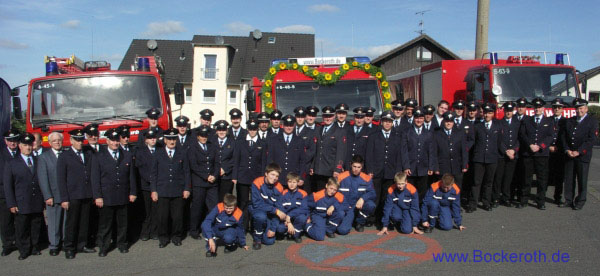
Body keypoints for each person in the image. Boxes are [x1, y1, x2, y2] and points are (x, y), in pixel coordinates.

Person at [91, 128, 137, 257]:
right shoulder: (99, 156)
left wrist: (132, 192)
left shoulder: (126, 155)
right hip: (107, 196)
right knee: (106, 224)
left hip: (122, 194)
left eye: (117, 140)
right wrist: (98, 196)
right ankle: (104, 246)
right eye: (112, 140)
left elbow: (131, 176)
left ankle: (122, 244)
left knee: (123, 223)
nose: (115, 143)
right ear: (107, 141)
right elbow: (95, 178)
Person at [3, 133, 44, 260]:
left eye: (30, 145)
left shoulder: (38, 160)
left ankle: (34, 247)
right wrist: (12, 203)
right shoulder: (12, 163)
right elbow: (8, 186)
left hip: (36, 199)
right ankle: (24, 249)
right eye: (25, 145)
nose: (28, 148)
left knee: (36, 224)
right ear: (20, 146)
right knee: (22, 226)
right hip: (22, 200)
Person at [57, 129, 96, 259]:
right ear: (71, 141)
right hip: (72, 194)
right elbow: (61, 179)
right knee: (71, 222)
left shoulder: (88, 153)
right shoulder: (64, 156)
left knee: (84, 221)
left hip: (86, 192)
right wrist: (64, 198)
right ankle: (69, 247)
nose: (80, 143)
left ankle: (82, 244)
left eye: (81, 140)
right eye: (77, 140)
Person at [150, 128, 190, 248]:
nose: (172, 141)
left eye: (174, 139)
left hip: (177, 190)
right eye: (169, 139)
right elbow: (154, 173)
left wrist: (187, 188)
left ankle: (176, 237)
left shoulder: (182, 153)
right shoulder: (158, 153)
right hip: (162, 190)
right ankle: (163, 238)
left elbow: (186, 172)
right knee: (162, 217)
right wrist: (153, 190)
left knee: (177, 216)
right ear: (165, 140)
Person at [366, 111, 405, 226]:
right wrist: (370, 170)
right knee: (375, 196)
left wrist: (398, 172)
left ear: (393, 123)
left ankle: (385, 218)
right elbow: (369, 155)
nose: (387, 124)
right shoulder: (374, 136)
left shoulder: (397, 136)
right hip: (376, 171)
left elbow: (399, 156)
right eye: (385, 121)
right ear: (381, 122)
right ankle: (372, 218)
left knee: (387, 196)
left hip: (391, 171)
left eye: (390, 122)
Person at [518, 97, 555, 210]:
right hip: (529, 154)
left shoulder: (549, 121)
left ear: (543, 108)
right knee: (526, 178)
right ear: (533, 108)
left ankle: (541, 201)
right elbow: (523, 134)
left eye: (539, 107)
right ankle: (524, 200)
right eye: (536, 107)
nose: (537, 109)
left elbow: (550, 136)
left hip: (541, 154)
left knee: (542, 179)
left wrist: (540, 146)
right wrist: (530, 145)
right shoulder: (527, 120)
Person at [562, 98, 598, 210]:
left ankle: (580, 201)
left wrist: (579, 151)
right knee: (569, 179)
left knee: (582, 179)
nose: (579, 111)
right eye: (577, 109)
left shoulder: (592, 121)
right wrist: (567, 150)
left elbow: (591, 139)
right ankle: (568, 200)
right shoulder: (570, 120)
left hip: (582, 155)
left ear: (586, 109)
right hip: (570, 154)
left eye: (581, 108)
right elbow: (564, 137)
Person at [467, 103, 504, 213]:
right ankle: (473, 204)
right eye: (486, 113)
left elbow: (499, 143)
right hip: (479, 158)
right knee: (476, 182)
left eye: (490, 113)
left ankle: (486, 202)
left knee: (489, 182)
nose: (487, 115)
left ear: (493, 114)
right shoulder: (477, 126)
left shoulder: (497, 126)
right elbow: (473, 141)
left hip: (492, 158)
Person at [232, 119, 266, 231]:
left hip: (256, 177)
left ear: (257, 129)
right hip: (242, 177)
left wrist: (262, 178)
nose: (252, 131)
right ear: (247, 129)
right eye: (250, 129)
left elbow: (263, 162)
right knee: (243, 202)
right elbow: (236, 160)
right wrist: (235, 176)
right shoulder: (240, 142)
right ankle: (243, 226)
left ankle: (254, 225)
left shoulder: (262, 143)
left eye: (254, 129)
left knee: (256, 202)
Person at [187, 126, 218, 239]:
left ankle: (210, 229)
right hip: (199, 182)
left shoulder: (212, 146)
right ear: (197, 136)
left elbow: (216, 163)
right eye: (201, 136)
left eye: (205, 136)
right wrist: (206, 176)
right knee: (197, 207)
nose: (204, 138)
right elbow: (194, 166)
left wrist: (214, 175)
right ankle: (194, 230)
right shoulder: (192, 148)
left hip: (212, 183)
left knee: (213, 207)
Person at [37, 131, 64, 257]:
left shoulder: (66, 154)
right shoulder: (44, 157)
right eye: (54, 141)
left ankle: (64, 242)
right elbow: (43, 178)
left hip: (66, 195)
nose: (57, 142)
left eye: (59, 140)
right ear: (49, 143)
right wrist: (47, 196)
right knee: (53, 222)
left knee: (65, 221)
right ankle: (54, 245)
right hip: (53, 195)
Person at [249, 163, 285, 249]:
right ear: (266, 173)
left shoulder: (279, 187)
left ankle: (265, 228)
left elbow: (279, 209)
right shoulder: (257, 182)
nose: (274, 178)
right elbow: (256, 204)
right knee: (260, 217)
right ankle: (257, 238)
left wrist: (272, 228)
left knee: (269, 241)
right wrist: (275, 211)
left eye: (277, 176)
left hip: (270, 213)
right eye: (272, 174)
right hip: (257, 209)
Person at [402, 108, 436, 200]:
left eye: (421, 118)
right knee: (410, 191)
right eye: (417, 118)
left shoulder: (428, 134)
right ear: (413, 118)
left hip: (423, 167)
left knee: (422, 192)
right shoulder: (407, 132)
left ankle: (420, 210)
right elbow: (404, 151)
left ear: (424, 118)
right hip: (411, 168)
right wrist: (406, 166)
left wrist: (430, 167)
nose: (419, 120)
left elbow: (431, 152)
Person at [337, 155, 376, 234]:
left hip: (358, 206)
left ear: (362, 167)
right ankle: (347, 220)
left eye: (358, 167)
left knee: (371, 205)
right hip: (346, 207)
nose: (356, 169)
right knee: (342, 231)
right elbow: (334, 193)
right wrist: (344, 205)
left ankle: (359, 222)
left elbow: (372, 193)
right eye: (354, 166)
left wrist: (362, 199)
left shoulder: (366, 178)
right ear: (350, 165)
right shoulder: (341, 177)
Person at [492, 102, 520, 207]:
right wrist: (505, 151)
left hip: (513, 155)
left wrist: (514, 150)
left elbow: (519, 139)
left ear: (513, 111)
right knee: (498, 178)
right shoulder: (499, 123)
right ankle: (495, 199)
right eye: (506, 110)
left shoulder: (517, 123)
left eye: (510, 110)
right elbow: (498, 140)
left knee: (509, 178)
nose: (508, 112)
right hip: (501, 154)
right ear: (504, 111)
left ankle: (506, 198)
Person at [312, 106, 346, 191]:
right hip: (319, 169)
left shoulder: (339, 131)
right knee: (319, 193)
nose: (328, 118)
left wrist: (337, 169)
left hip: (331, 170)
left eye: (330, 116)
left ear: (334, 116)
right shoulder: (318, 129)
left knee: (331, 193)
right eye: (326, 116)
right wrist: (312, 166)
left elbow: (341, 152)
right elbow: (315, 150)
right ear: (323, 116)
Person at [266, 115, 307, 186]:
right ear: (283, 125)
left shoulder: (299, 141)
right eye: (287, 125)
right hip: (278, 178)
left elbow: (303, 161)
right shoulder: (274, 140)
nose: (289, 127)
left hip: (293, 179)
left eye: (291, 125)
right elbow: (270, 159)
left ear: (294, 126)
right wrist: (270, 175)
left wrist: (301, 177)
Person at [134, 129, 159, 241]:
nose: (153, 140)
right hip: (146, 185)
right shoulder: (140, 152)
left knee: (155, 210)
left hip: (157, 185)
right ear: (146, 140)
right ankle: (145, 232)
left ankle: (154, 232)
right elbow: (140, 168)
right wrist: (150, 179)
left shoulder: (160, 150)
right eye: (150, 138)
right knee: (146, 211)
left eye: (154, 138)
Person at [433, 112, 468, 189]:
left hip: (457, 166)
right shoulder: (437, 134)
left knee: (457, 188)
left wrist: (464, 165)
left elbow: (464, 151)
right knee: (442, 187)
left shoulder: (460, 133)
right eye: (447, 121)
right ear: (443, 121)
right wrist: (436, 167)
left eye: (451, 121)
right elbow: (434, 152)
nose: (449, 123)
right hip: (443, 167)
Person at [0, 130, 20, 256]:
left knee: (20, 220)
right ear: (5, 141)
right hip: (3, 192)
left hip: (19, 191)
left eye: (14, 140)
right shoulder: (1, 155)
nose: (12, 143)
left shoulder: (22, 152)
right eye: (10, 140)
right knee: (5, 220)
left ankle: (20, 242)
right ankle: (7, 244)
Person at [276, 172, 309, 243]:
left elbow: (304, 209)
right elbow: (280, 208)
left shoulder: (303, 193)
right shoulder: (283, 193)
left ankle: (296, 234)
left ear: (298, 183)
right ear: (287, 182)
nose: (291, 184)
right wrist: (288, 222)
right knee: (279, 229)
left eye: (294, 182)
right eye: (289, 182)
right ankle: (286, 232)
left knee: (302, 218)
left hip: (296, 218)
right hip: (285, 219)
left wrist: (290, 216)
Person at [549, 98, 567, 206]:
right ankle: (540, 196)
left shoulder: (566, 122)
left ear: (562, 109)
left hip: (560, 151)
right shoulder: (547, 120)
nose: (557, 109)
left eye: (559, 107)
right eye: (555, 107)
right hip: (549, 150)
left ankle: (557, 197)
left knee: (559, 176)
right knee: (545, 174)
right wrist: (548, 146)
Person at [295, 106, 317, 193]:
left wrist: (299, 159)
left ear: (305, 117)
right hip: (291, 167)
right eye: (298, 116)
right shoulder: (290, 130)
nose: (300, 119)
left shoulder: (310, 132)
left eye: (302, 117)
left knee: (304, 193)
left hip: (304, 168)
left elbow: (312, 151)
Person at [213, 120, 235, 201]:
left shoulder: (232, 142)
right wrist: (217, 170)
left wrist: (225, 169)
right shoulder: (212, 141)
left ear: (227, 131)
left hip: (227, 176)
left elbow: (234, 158)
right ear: (216, 131)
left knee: (225, 200)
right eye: (219, 130)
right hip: (214, 175)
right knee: (214, 200)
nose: (221, 132)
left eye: (223, 130)